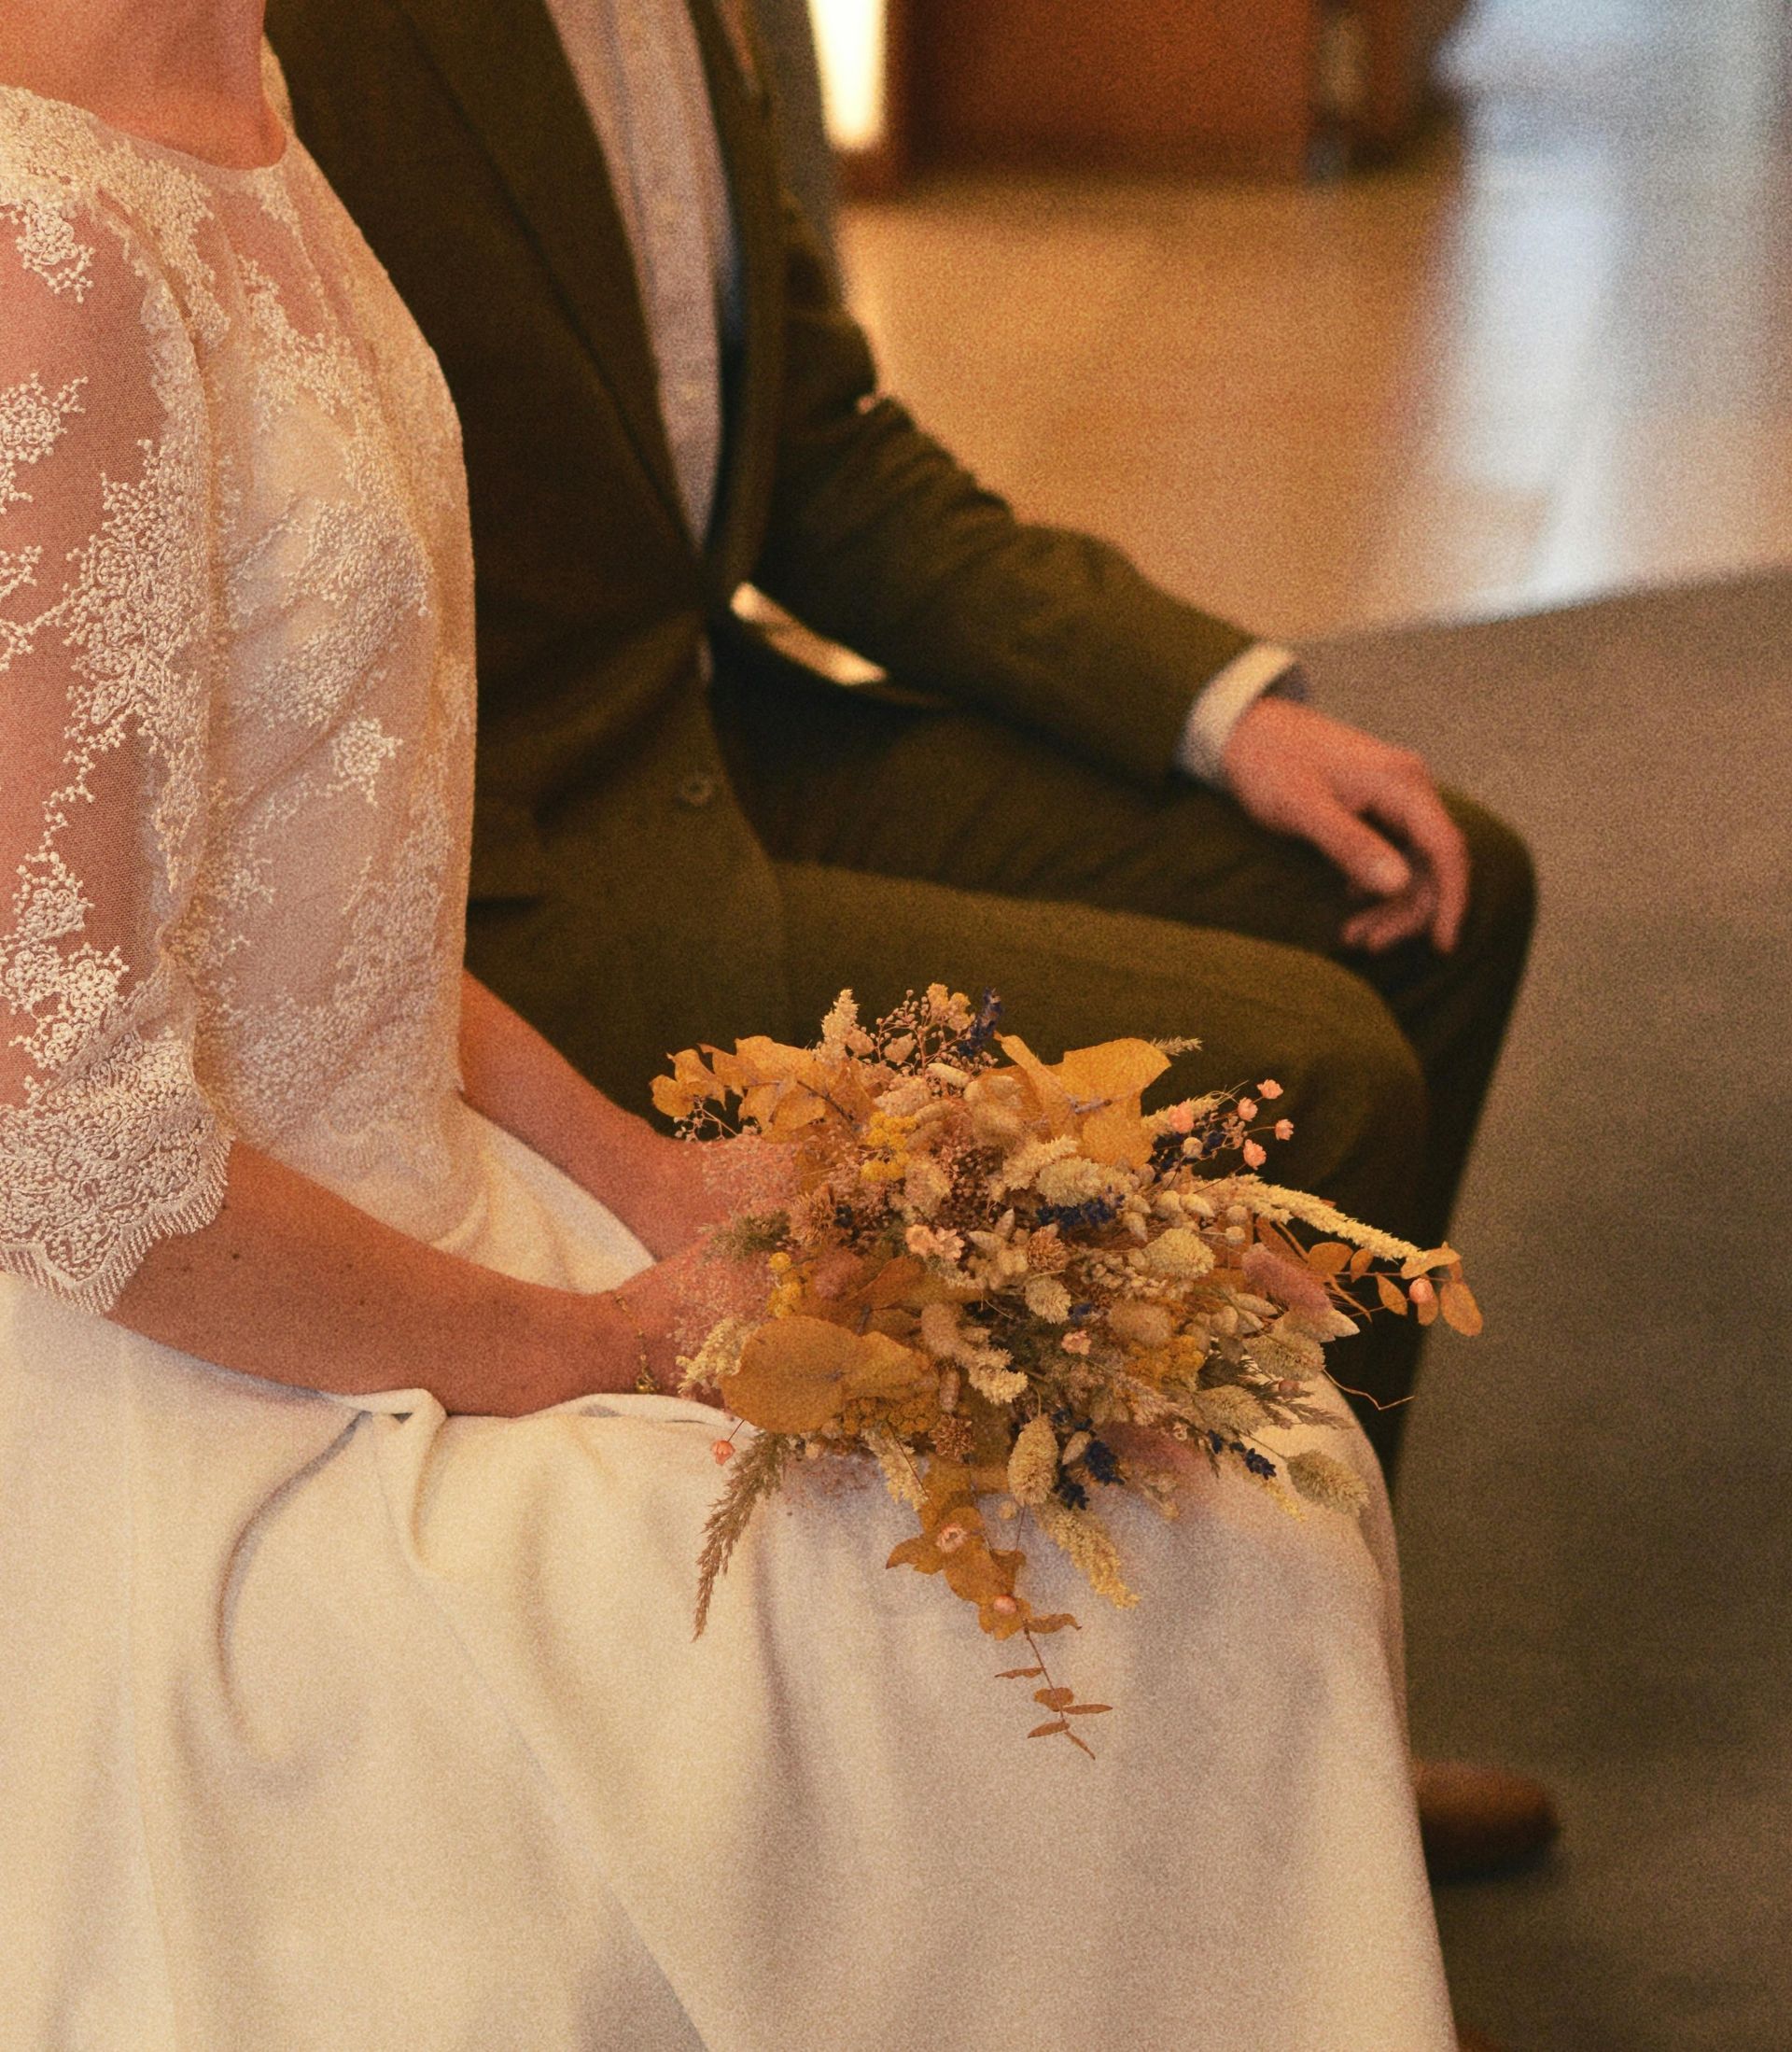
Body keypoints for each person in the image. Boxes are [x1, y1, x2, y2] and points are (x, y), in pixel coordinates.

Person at [1, 4, 1471, 2045]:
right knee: (1143, 1576)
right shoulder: (43, 241)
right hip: (203, 1386)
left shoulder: (244, 85)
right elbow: (63, 1147)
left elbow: (318, 861)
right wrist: (592, 1343)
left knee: (1245, 1464)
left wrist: (643, 1168)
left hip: (438, 1205)